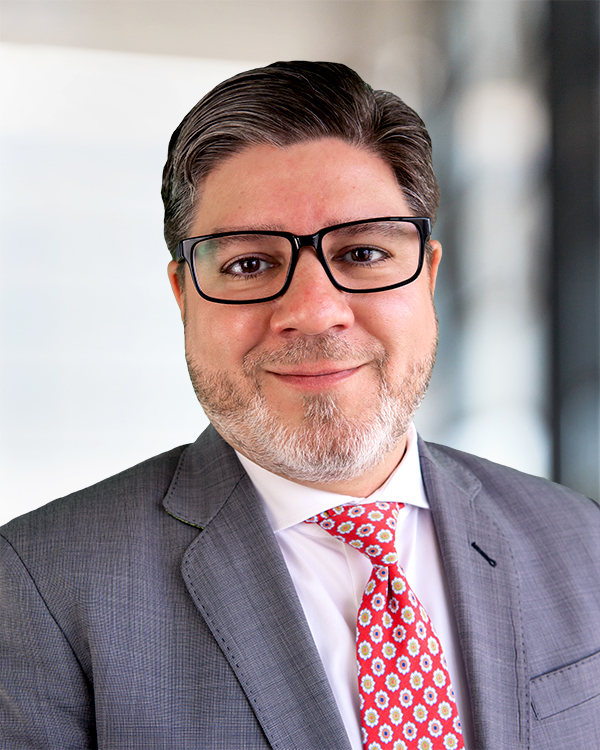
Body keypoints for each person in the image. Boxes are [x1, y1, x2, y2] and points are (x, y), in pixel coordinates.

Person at [1, 61, 599, 750]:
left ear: (429, 276)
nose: (314, 312)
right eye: (249, 265)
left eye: (363, 252)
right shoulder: (36, 589)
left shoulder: (581, 540)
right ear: (183, 295)